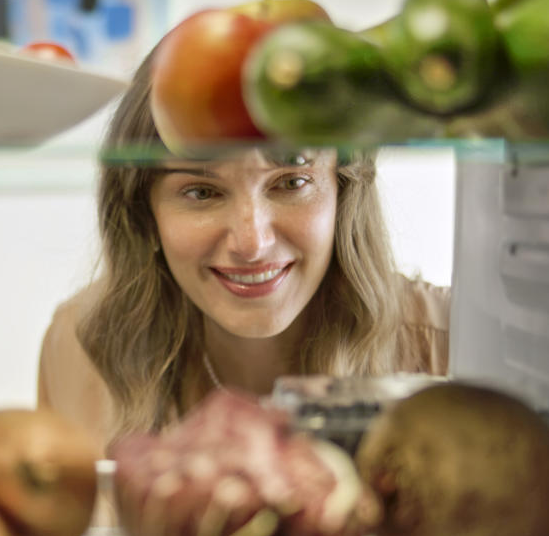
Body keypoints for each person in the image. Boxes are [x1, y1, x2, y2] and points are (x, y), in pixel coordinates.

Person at [37, 50, 449, 449]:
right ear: (144, 213)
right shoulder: (78, 347)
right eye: (201, 191)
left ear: (344, 194)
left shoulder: (451, 344)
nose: (252, 244)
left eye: (291, 183)